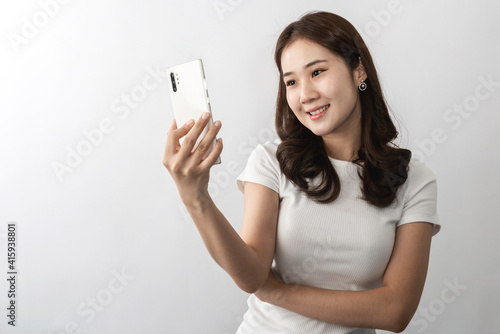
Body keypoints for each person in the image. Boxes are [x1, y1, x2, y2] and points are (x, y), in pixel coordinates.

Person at [162, 11, 440, 334]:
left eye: (317, 72)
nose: (305, 94)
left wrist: (277, 291)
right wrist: (196, 198)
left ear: (358, 69)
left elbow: (395, 311)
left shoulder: (413, 180)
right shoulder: (272, 162)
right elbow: (252, 275)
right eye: (291, 81)